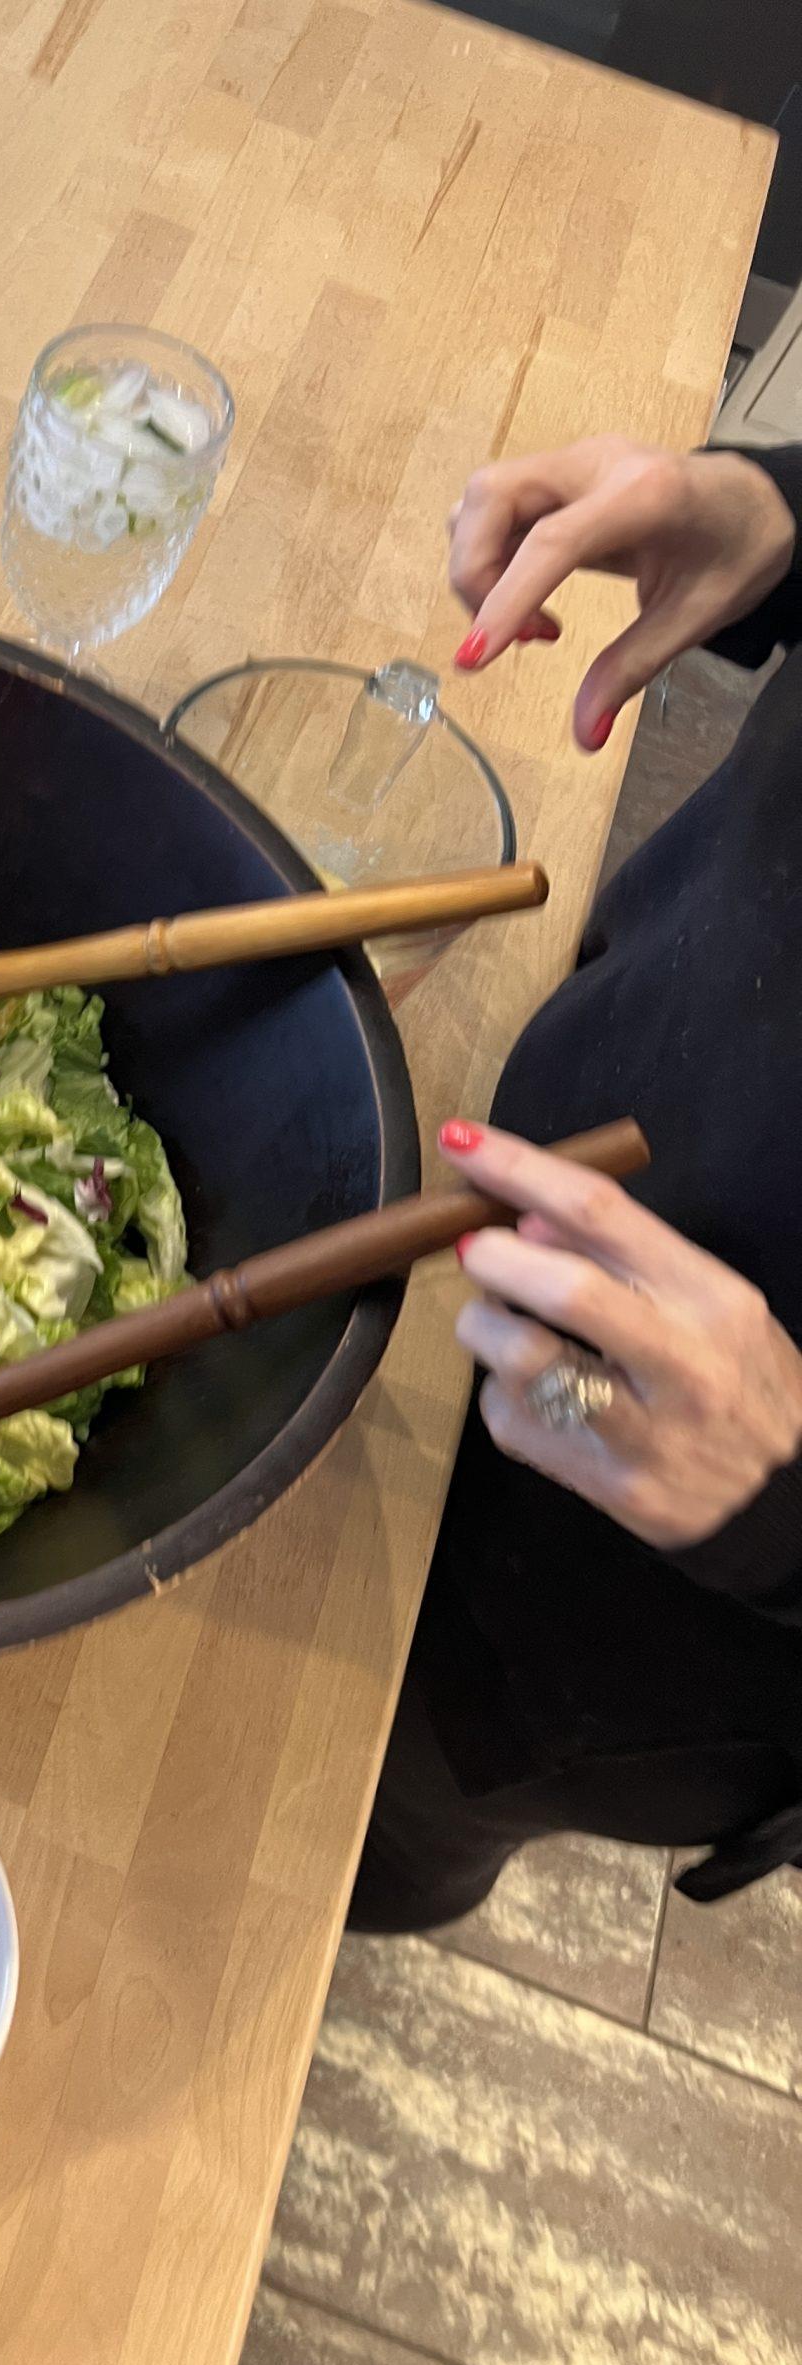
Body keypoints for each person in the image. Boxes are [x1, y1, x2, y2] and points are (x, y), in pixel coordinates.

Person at [350, 436, 802, 1929]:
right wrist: (783, 513)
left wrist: (789, 1519)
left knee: (387, 1780)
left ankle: (385, 1892)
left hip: (662, 1590)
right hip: (593, 1095)